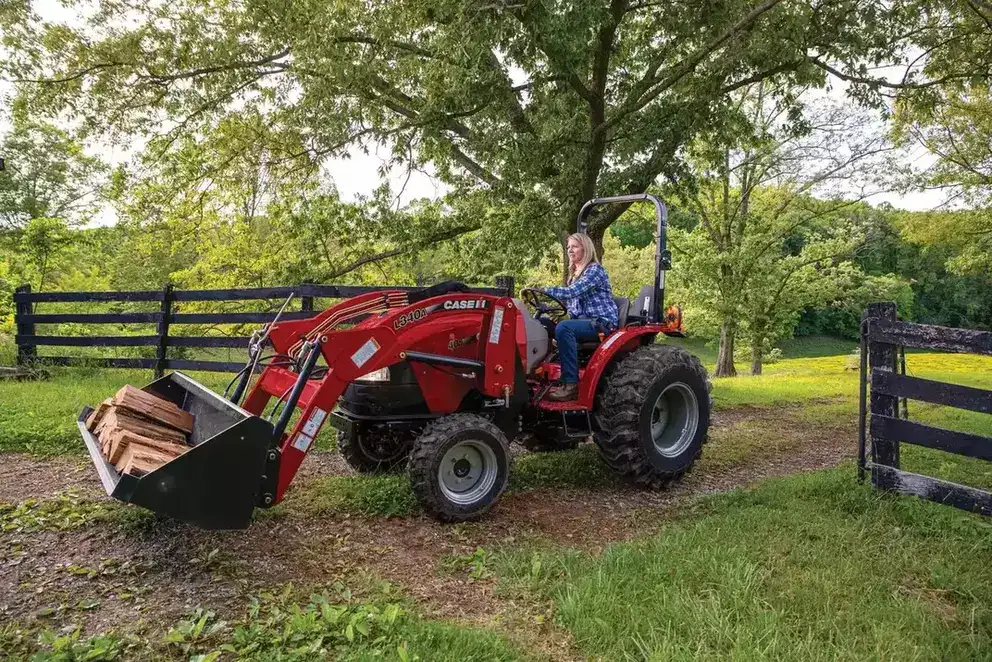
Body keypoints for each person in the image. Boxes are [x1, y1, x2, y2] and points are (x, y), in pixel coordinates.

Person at [541, 233, 618, 401]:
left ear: (586, 248)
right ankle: (537, 374)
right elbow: (573, 309)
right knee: (541, 323)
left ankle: (571, 385)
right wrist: (550, 310)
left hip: (601, 323)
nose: (570, 250)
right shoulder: (574, 275)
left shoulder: (594, 270)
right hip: (581, 321)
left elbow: (572, 292)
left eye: (574, 246)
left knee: (564, 327)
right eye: (568, 247)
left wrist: (544, 290)